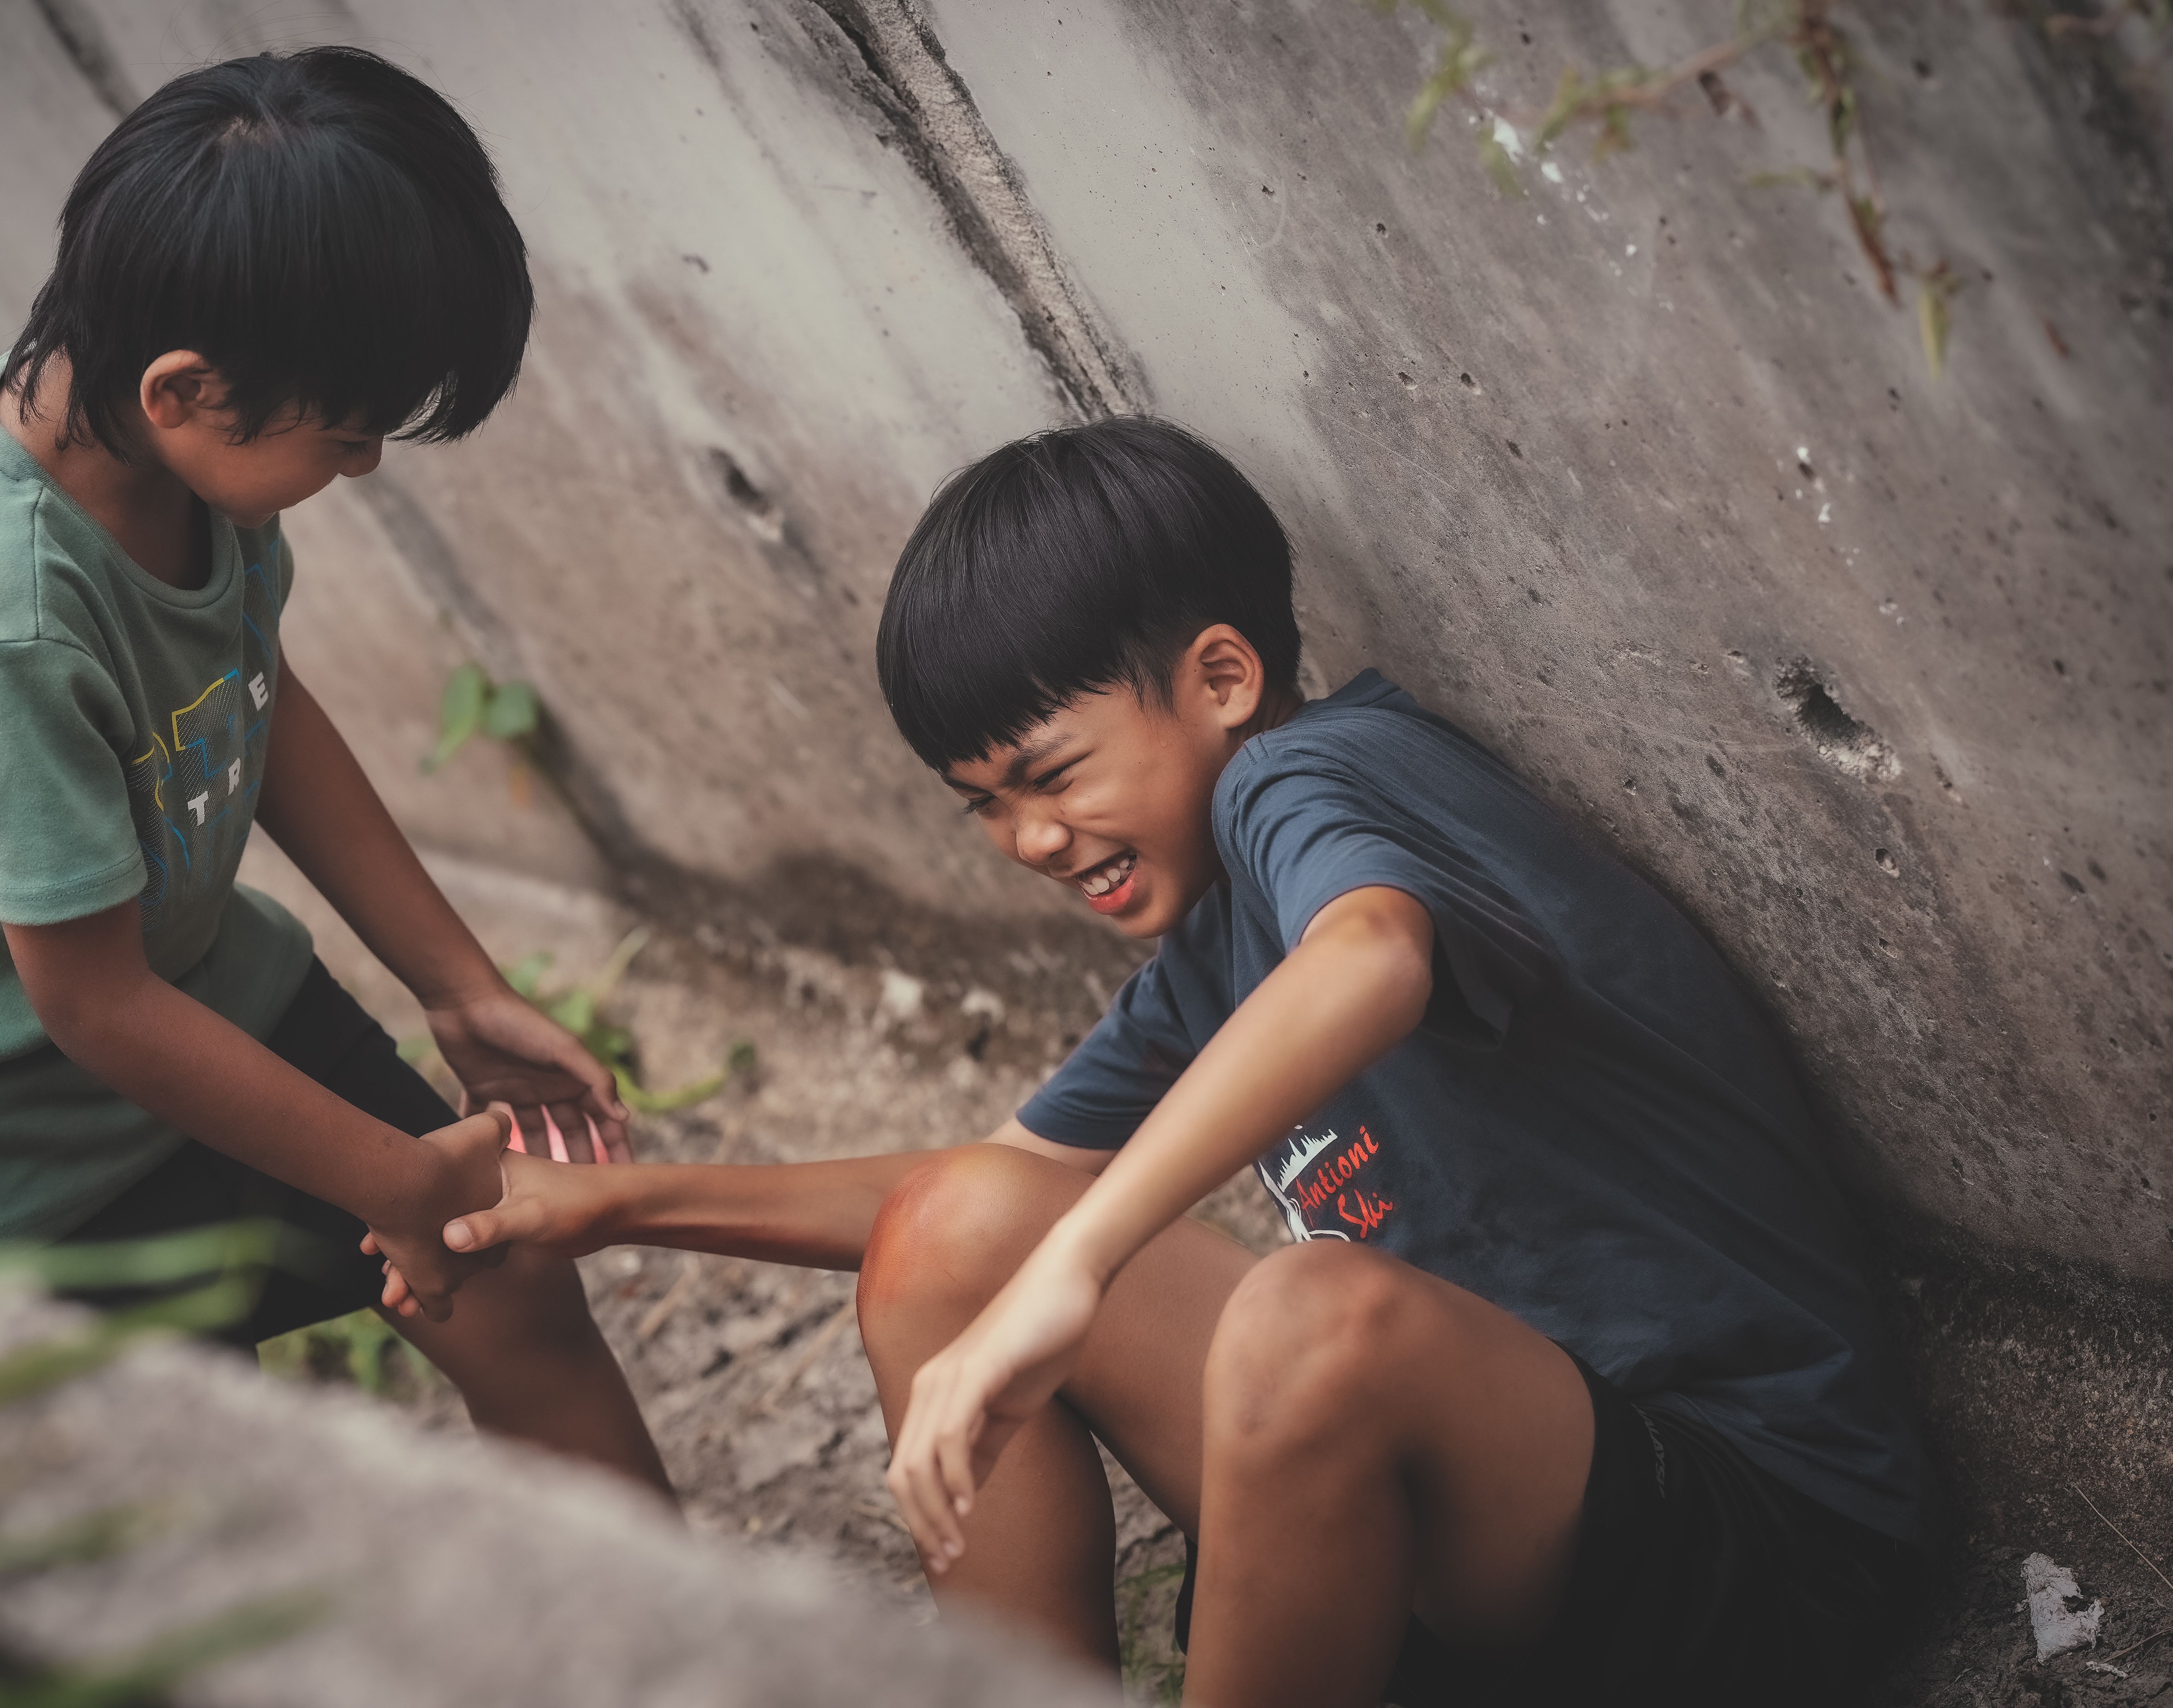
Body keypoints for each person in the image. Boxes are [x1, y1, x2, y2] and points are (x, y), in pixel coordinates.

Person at [424, 417, 1932, 1704]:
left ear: (1219, 677)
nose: (1026, 840)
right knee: (952, 1237)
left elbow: (1374, 957)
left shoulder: (1312, 778)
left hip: (1753, 1542)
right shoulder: (1215, 943)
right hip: (1481, 1548)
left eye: (1052, 776)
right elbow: (987, 1188)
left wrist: (1080, 1265)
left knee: (1304, 1317)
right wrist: (613, 1205)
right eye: (982, 807)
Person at [0, 47, 668, 1495]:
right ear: (186, 388)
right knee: (119, 1506)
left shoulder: (144, 432)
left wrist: (460, 986)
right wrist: (393, 1179)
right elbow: (89, 1003)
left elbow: (254, 691)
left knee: (510, 1283)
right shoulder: (4, 612)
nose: (357, 469)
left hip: (193, 994)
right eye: (346, 435)